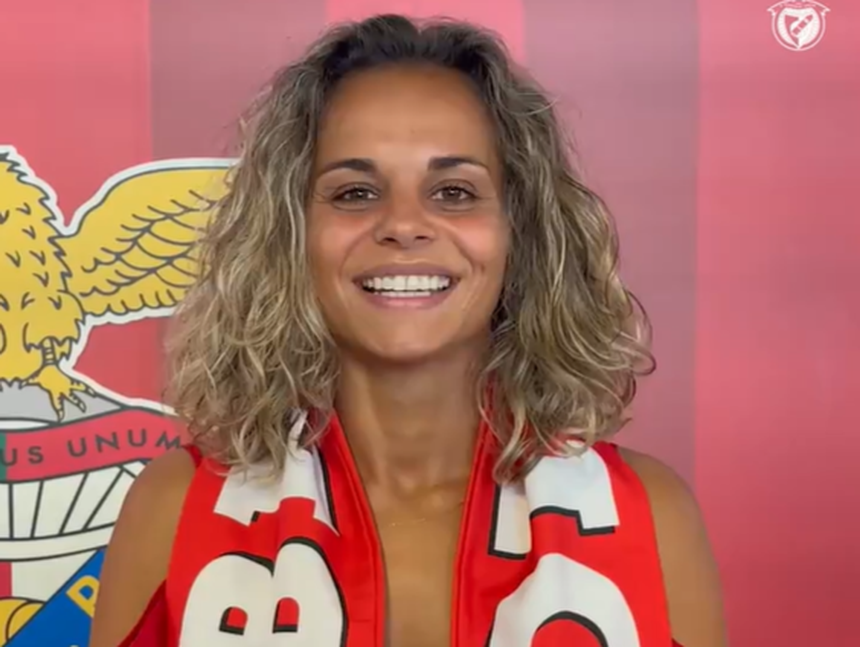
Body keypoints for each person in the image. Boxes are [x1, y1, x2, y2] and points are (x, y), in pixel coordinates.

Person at [90, 13, 726, 647]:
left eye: (453, 192)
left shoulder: (650, 518)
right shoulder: (174, 510)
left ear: (519, 231)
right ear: (292, 233)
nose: (402, 224)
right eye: (355, 193)